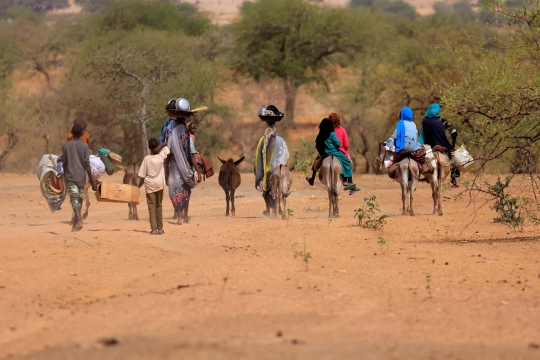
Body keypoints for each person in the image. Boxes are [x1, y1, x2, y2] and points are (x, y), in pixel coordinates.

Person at [166, 99, 202, 224]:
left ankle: (180, 216)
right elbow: (192, 156)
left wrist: (166, 169)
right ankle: (184, 215)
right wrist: (198, 171)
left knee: (175, 191)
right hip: (186, 168)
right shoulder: (188, 137)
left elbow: (168, 153)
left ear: (174, 121)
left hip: (174, 168)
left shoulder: (172, 135)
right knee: (185, 191)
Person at [305, 118, 359, 193]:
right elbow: (337, 143)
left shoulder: (321, 134)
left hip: (325, 153)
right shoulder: (332, 133)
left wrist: (322, 152)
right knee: (347, 162)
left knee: (316, 163)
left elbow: (317, 144)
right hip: (335, 152)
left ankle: (312, 179)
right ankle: (348, 182)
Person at [254, 106, 290, 217]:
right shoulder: (281, 140)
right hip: (280, 167)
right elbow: (286, 155)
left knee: (265, 188)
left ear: (266, 124)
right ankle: (282, 209)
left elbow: (258, 159)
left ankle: (269, 210)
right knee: (282, 187)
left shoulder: (262, 140)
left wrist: (260, 172)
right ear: (275, 124)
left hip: (268, 169)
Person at [62, 124, 96, 232]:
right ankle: (76, 223)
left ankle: (78, 221)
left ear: (71, 133)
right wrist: (92, 180)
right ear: (82, 133)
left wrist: (63, 176)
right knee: (79, 199)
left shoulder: (66, 146)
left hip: (70, 177)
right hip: (81, 177)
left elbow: (64, 162)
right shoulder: (84, 146)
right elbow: (87, 164)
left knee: (74, 199)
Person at [419, 103, 460, 187]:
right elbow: (454, 132)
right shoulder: (443, 120)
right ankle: (453, 179)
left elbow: (426, 136)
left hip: (431, 147)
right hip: (444, 147)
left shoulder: (426, 120)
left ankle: (426, 176)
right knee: (453, 162)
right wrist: (452, 146)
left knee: (421, 160)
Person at [138, 138, 170, 235]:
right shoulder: (161, 157)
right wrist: (161, 146)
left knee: (151, 207)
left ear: (148, 147)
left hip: (150, 186)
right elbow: (168, 146)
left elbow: (142, 176)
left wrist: (138, 186)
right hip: (159, 185)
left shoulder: (146, 159)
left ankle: (154, 229)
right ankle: (160, 229)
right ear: (157, 147)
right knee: (159, 206)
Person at [384, 106, 425, 178]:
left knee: (390, 146)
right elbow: (415, 136)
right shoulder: (414, 124)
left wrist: (388, 142)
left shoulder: (401, 123)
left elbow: (394, 136)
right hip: (413, 148)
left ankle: (393, 170)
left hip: (403, 147)